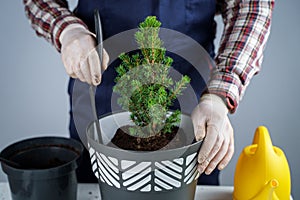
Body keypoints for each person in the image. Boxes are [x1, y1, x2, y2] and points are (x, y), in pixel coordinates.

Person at [23, 0, 274, 184]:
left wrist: (219, 96)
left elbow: (251, 6)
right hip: (100, 97)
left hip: (193, 105)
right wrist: (67, 29)